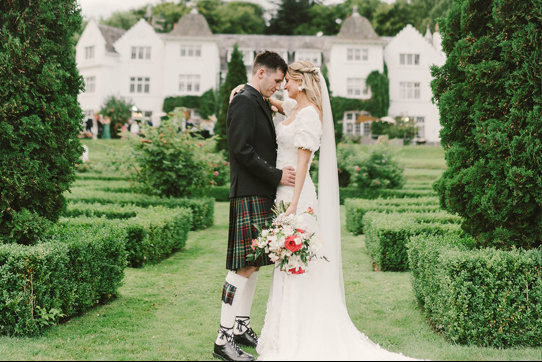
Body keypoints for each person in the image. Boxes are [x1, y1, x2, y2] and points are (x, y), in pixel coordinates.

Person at [252, 61, 418, 360]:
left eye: (287, 81)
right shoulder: (294, 109)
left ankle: (302, 334)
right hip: (283, 191)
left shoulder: (310, 117)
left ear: (300, 82)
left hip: (297, 196)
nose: (283, 86)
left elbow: (303, 165)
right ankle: (284, 333)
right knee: (286, 265)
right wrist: (252, 92)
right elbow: (279, 104)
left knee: (299, 263)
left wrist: (293, 204)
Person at [213, 51, 296, 362]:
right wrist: (277, 175)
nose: (278, 86)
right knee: (242, 266)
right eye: (276, 80)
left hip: (259, 193)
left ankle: (240, 327)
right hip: (248, 193)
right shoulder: (245, 101)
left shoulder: (254, 98)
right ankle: (222, 337)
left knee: (255, 261)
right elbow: (240, 150)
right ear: (261, 73)